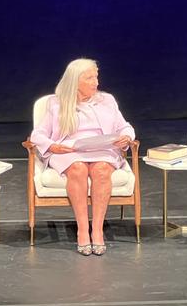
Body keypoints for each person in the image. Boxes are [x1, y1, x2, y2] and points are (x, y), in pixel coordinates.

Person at [30, 58, 135, 256]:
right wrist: (52, 145)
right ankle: (82, 230)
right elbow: (37, 135)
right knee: (77, 168)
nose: (96, 82)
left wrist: (126, 137)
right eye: (90, 78)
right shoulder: (56, 103)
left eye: (96, 76)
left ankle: (97, 230)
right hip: (69, 151)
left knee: (101, 169)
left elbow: (125, 126)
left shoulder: (107, 100)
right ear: (75, 81)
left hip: (101, 148)